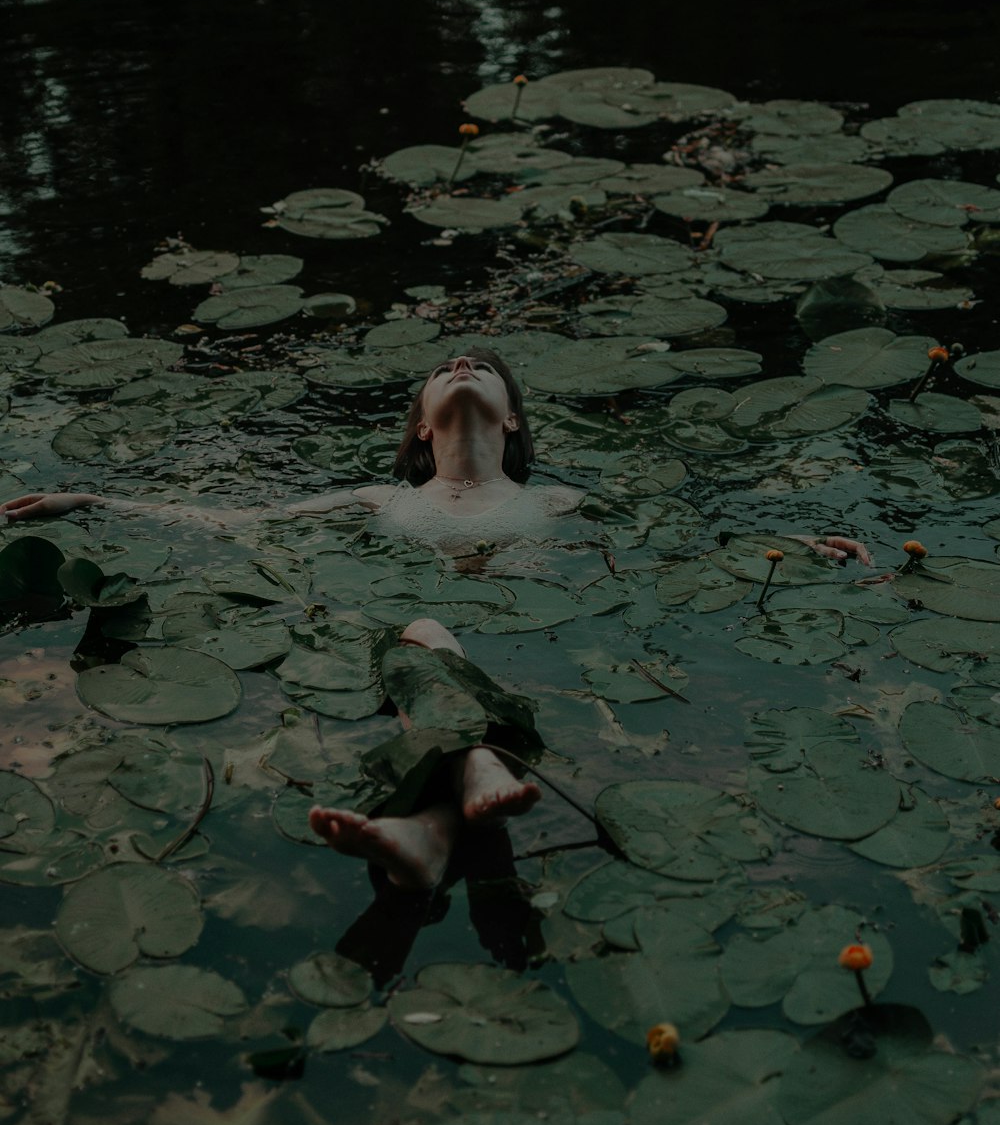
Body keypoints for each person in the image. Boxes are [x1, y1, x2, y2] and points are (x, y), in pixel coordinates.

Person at [0, 348, 872, 893]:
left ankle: (422, 834)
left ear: (513, 416)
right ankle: (467, 776)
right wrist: (92, 497)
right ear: (420, 424)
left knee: (426, 635)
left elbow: (664, 557)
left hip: (543, 652)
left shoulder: (559, 500)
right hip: (420, 646)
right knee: (421, 628)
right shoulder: (378, 497)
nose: (463, 362)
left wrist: (786, 540)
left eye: (484, 365)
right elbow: (233, 526)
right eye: (446, 365)